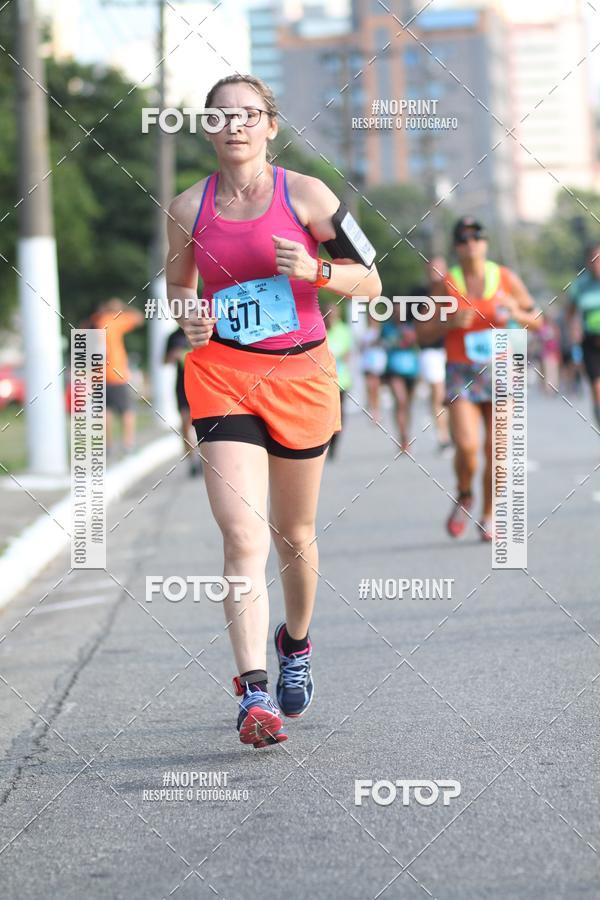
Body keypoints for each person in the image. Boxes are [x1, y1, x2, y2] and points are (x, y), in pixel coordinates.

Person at [165, 74, 381, 748]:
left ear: (270, 125)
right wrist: (189, 316)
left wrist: (316, 271)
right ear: (206, 128)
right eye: (222, 116)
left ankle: (297, 642)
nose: (235, 125)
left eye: (248, 115)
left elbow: (372, 279)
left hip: (301, 376)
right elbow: (177, 285)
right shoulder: (185, 206)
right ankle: (253, 693)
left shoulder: (308, 195)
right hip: (223, 375)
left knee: (294, 532)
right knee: (243, 535)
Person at [416, 216, 542, 541]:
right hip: (461, 371)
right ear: (457, 247)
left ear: (485, 243)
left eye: (476, 237)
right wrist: (449, 322)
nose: (470, 243)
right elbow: (421, 331)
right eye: (463, 239)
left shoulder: (505, 277)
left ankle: (488, 515)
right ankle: (464, 492)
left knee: (498, 451)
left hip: (502, 368)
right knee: (468, 447)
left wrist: (516, 314)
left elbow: (538, 321)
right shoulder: (446, 282)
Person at [88, 298, 144, 456]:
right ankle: (128, 443)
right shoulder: (113, 321)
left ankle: (108, 445)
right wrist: (122, 307)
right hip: (116, 373)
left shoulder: (94, 322)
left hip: (98, 374)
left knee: (105, 410)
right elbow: (139, 318)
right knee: (127, 410)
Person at [412, 256, 451, 452]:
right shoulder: (420, 294)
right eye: (432, 269)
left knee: (452, 396)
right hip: (430, 351)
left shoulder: (454, 292)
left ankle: (451, 430)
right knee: (438, 393)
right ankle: (443, 437)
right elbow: (416, 325)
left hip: (452, 350)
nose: (436, 272)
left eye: (439, 269)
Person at [566, 243, 600, 429]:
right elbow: (570, 315)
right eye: (593, 260)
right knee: (597, 390)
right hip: (591, 344)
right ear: (588, 262)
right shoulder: (580, 286)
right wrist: (574, 338)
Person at [380, 300, 419, 452]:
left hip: (412, 369)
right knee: (401, 402)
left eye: (400, 311)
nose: (397, 314)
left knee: (407, 405)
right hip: (394, 369)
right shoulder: (387, 327)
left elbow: (418, 346)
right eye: (395, 311)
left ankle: (406, 435)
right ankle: (402, 437)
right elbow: (381, 344)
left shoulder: (412, 327)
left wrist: (412, 339)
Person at [164, 325, 202, 476]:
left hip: (200, 384)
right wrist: (174, 355)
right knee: (185, 425)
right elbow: (165, 361)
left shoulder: (201, 329)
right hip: (182, 387)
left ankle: (205, 459)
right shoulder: (173, 336)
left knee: (202, 425)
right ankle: (192, 461)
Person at [324, 302, 353, 459]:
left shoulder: (343, 331)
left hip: (341, 379)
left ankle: (334, 444)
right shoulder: (319, 329)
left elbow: (348, 354)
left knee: (339, 414)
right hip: (322, 381)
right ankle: (324, 443)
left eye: (333, 315)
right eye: (328, 315)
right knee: (324, 413)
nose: (331, 318)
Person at [358, 312, 386, 425]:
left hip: (378, 363)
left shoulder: (381, 332)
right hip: (368, 363)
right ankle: (373, 410)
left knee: (376, 388)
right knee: (370, 387)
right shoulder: (366, 333)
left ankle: (376, 410)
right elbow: (361, 347)